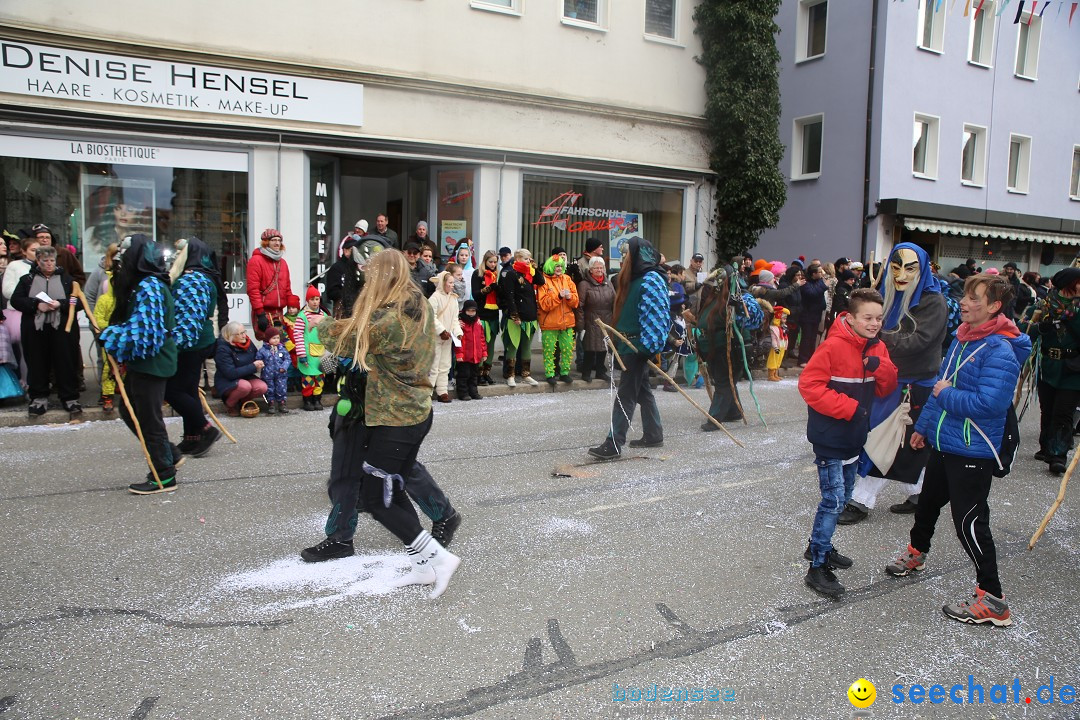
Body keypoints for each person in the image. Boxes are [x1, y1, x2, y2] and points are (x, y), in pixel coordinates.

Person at [300, 249, 461, 599]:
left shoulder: (396, 315)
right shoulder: (408, 303)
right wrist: (331, 360)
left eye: (370, 273)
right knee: (378, 481)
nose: (365, 278)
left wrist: (321, 326)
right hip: (386, 408)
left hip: (394, 412)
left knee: (380, 492)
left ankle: (438, 551)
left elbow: (359, 340)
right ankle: (415, 561)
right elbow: (359, 347)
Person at [886, 275, 1029, 626]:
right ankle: (916, 553)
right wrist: (923, 428)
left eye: (974, 298)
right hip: (947, 440)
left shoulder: (999, 348)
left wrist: (944, 395)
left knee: (969, 522)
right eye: (965, 295)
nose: (964, 302)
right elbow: (942, 383)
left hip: (973, 448)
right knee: (928, 502)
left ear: (994, 307)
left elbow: (991, 403)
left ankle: (993, 599)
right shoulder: (963, 338)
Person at [799, 289, 897, 598]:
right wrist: (851, 409)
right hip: (830, 437)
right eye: (867, 318)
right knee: (832, 501)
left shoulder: (878, 347)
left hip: (855, 437)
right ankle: (817, 566)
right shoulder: (832, 347)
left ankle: (820, 546)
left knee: (841, 501)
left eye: (879, 318)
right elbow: (809, 386)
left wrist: (878, 366)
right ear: (851, 317)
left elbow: (887, 388)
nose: (874, 323)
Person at [841, 243, 948, 524]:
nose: (901, 274)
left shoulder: (933, 301)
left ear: (922, 269)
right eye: (896, 266)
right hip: (885, 380)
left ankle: (861, 499)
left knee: (885, 441)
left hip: (913, 386)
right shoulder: (885, 296)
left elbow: (920, 341)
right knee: (903, 444)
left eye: (909, 268)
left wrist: (875, 338)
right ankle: (920, 492)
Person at [98, 235, 182, 494]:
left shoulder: (150, 287)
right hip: (144, 362)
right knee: (128, 410)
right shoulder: (143, 284)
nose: (122, 263)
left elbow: (146, 334)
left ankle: (164, 475)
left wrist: (110, 337)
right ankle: (170, 454)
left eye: (126, 257)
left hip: (152, 362)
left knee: (148, 418)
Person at [587, 238, 669, 459]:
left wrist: (647, 346)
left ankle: (614, 443)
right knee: (642, 390)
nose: (624, 259)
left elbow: (657, 315)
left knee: (626, 394)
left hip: (638, 346)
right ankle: (654, 434)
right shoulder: (634, 279)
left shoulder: (651, 279)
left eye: (627, 255)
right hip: (628, 345)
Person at [166, 238, 223, 454]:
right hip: (197, 341)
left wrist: (177, 344)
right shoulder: (202, 276)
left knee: (173, 390)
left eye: (181, 251)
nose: (177, 254)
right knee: (188, 390)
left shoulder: (193, 280)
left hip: (191, 343)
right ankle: (193, 437)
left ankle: (204, 428)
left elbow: (190, 320)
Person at [9, 245, 81, 416]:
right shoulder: (27, 279)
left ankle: (70, 398)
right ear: (38, 261)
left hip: (62, 329)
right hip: (35, 329)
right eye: (45, 261)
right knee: (36, 362)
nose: (49, 264)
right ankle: (39, 398)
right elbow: (16, 300)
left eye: (52, 261)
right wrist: (36, 304)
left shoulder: (67, 279)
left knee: (66, 362)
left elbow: (77, 302)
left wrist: (61, 304)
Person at [1029, 268, 1080, 475]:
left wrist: (1071, 318)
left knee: (1063, 412)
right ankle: (1046, 448)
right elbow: (1024, 331)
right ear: (1069, 283)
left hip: (1073, 370)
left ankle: (1058, 455)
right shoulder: (1044, 305)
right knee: (1047, 409)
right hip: (1048, 365)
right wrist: (1041, 327)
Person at [498, 248, 545, 387]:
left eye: (530, 258)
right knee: (512, 346)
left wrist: (534, 268)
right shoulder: (511, 274)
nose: (529, 261)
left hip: (530, 316)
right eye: (526, 259)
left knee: (526, 347)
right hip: (516, 317)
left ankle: (526, 374)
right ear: (517, 259)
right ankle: (510, 375)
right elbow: (509, 296)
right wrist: (514, 315)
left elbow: (541, 281)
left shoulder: (529, 273)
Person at [537, 253, 579, 385]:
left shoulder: (567, 279)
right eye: (556, 266)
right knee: (549, 350)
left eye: (561, 266)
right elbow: (544, 304)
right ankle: (550, 374)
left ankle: (564, 373)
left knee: (567, 349)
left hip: (568, 322)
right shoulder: (543, 281)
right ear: (550, 266)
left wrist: (569, 298)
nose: (559, 268)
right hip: (550, 323)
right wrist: (559, 297)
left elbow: (576, 301)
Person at [247, 228, 294, 341]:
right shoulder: (256, 261)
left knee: (281, 344)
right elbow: (253, 289)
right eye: (273, 240)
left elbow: (287, 288)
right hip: (264, 311)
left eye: (279, 240)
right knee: (268, 344)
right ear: (266, 242)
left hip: (279, 312)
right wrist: (260, 313)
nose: (277, 243)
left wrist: (292, 307)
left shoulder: (283, 263)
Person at [575, 255, 615, 383]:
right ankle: (586, 372)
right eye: (596, 267)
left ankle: (600, 372)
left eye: (601, 267)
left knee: (603, 347)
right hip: (591, 320)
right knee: (589, 347)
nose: (599, 270)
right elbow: (579, 306)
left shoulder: (608, 283)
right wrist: (580, 326)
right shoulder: (584, 284)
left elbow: (615, 301)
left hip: (607, 320)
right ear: (590, 269)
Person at [214, 322, 268, 417]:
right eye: (240, 333)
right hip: (227, 381)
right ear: (230, 336)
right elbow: (230, 373)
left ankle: (244, 402)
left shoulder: (247, 342)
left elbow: (256, 356)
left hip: (246, 376)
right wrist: (253, 366)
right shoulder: (222, 349)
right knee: (245, 386)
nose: (244, 335)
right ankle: (230, 404)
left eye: (244, 332)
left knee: (262, 387)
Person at [427, 270, 461, 403]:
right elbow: (431, 317)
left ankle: (442, 390)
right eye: (450, 282)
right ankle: (428, 392)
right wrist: (441, 331)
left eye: (453, 282)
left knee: (445, 365)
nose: (452, 285)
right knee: (433, 365)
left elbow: (454, 319)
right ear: (443, 283)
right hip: (436, 337)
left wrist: (458, 333)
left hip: (448, 338)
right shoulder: (434, 298)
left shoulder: (453, 299)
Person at [294, 285, 328, 411]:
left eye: (317, 299)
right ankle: (307, 400)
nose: (315, 302)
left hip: (320, 353)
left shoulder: (324, 315)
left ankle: (317, 399)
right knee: (308, 380)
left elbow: (327, 334)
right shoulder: (302, 316)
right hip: (307, 353)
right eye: (312, 299)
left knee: (319, 379)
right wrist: (302, 354)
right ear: (307, 301)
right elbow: (297, 335)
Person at [471, 250, 501, 386]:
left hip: (493, 314)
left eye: (495, 262)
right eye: (491, 262)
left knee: (491, 346)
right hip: (482, 314)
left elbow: (502, 296)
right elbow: (475, 294)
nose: (493, 264)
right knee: (481, 345)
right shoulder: (477, 274)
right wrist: (487, 289)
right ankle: (478, 373)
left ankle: (486, 373)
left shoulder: (498, 275)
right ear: (485, 261)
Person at [455, 299, 486, 401]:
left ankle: (473, 392)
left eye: (473, 311)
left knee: (474, 375)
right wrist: (459, 354)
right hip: (464, 355)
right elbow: (458, 341)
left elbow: (482, 338)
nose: (471, 313)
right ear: (464, 310)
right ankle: (463, 393)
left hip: (476, 355)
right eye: (469, 311)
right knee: (463, 375)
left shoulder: (478, 323)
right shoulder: (461, 323)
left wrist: (484, 352)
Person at [257, 326, 291, 414]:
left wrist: (284, 367)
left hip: (281, 374)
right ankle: (271, 404)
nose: (276, 340)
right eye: (273, 338)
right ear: (268, 339)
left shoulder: (282, 349)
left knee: (281, 388)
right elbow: (258, 359)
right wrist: (260, 364)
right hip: (268, 374)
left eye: (278, 338)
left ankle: (282, 404)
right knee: (270, 389)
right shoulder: (263, 350)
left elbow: (287, 359)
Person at [766, 306, 790, 382]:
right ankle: (770, 375)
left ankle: (775, 374)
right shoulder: (774, 328)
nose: (785, 320)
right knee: (773, 359)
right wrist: (775, 347)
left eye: (786, 318)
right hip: (776, 347)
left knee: (778, 360)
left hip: (782, 346)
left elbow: (785, 337)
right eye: (783, 318)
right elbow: (774, 339)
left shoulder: (784, 327)